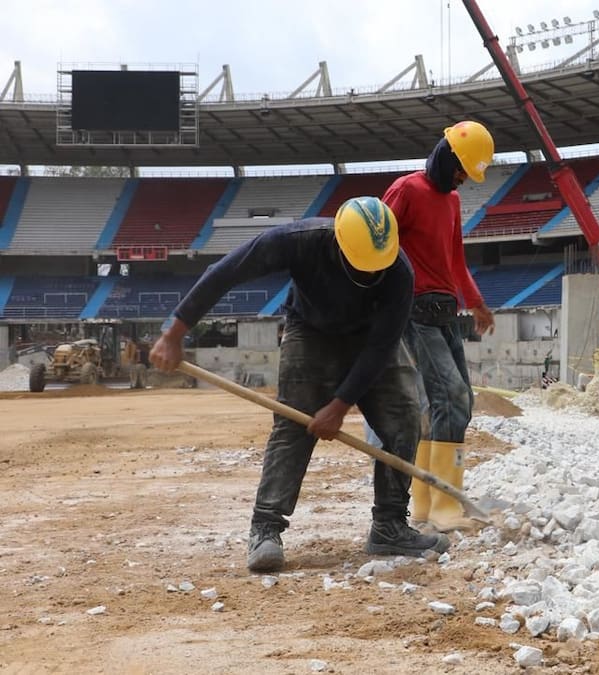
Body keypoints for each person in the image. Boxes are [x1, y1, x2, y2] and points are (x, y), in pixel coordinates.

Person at [150, 197, 447, 573]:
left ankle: (389, 526)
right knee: (293, 427)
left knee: (404, 420)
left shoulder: (399, 271)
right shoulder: (300, 240)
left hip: (371, 339)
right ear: (340, 244)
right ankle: (265, 529)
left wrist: (340, 405)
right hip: (310, 332)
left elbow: (381, 346)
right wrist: (175, 332)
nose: (372, 275)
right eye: (363, 267)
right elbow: (226, 271)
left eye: (378, 268)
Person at [374, 120, 496, 533]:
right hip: (414, 310)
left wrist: (476, 303)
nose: (463, 178)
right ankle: (444, 505)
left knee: (456, 403)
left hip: (446, 311)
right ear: (447, 156)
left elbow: (456, 259)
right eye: (462, 168)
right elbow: (377, 242)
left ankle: (426, 503)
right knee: (451, 396)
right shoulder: (406, 190)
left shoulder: (453, 202)